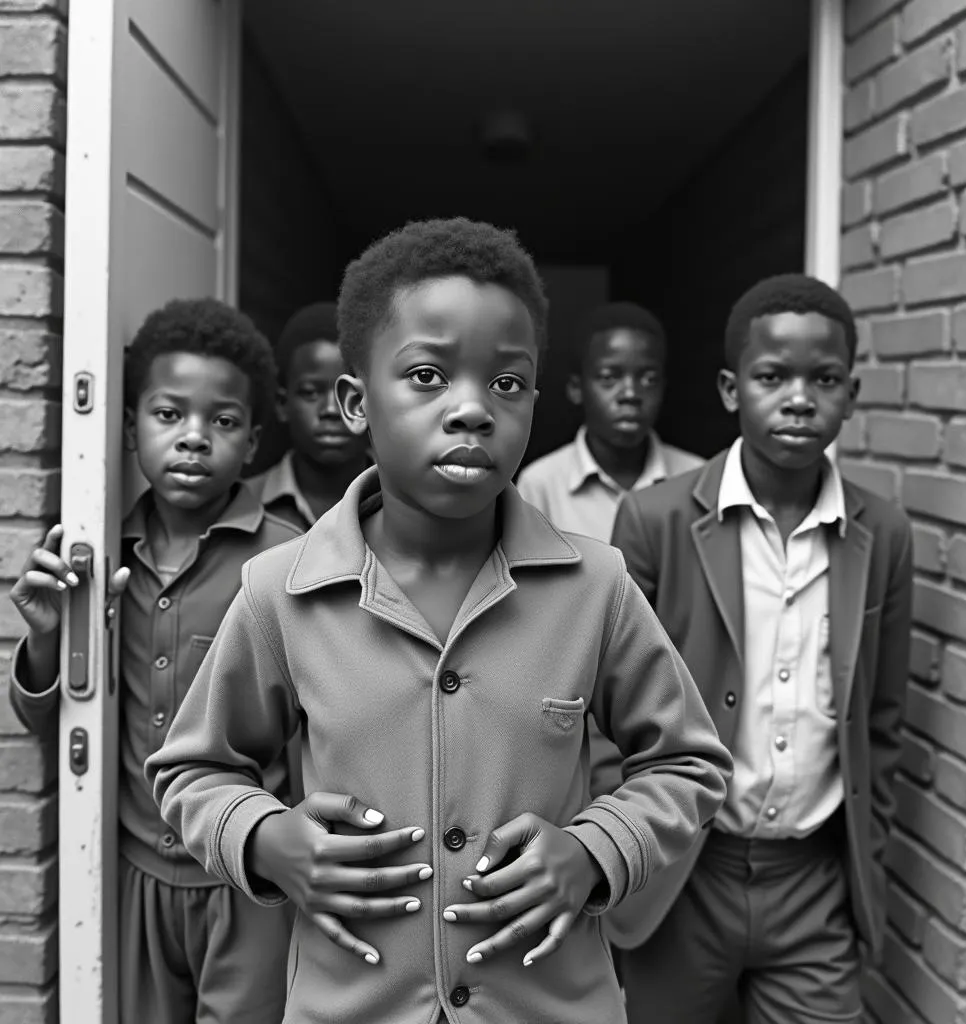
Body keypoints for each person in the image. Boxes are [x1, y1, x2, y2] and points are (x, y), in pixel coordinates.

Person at [146, 217, 733, 1024]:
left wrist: (595, 850)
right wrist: (265, 839)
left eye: (507, 383)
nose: (471, 411)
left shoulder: (596, 586)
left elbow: (689, 765)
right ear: (356, 403)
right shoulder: (281, 590)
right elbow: (190, 773)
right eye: (427, 375)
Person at [601, 275, 913, 1024]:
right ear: (730, 388)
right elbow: (608, 716)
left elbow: (882, 718)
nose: (799, 398)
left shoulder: (885, 532)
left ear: (852, 392)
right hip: (684, 874)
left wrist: (861, 864)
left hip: (812, 878)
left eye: (825, 380)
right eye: (773, 376)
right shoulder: (655, 521)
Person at [8, 298, 302, 1024]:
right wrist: (48, 636)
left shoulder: (287, 559)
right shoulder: (100, 555)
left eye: (223, 422)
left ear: (255, 440)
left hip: (247, 882)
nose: (194, 439)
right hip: (133, 873)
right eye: (169, 416)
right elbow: (59, 721)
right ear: (130, 422)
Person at [516, 301, 702, 544]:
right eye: (609, 377)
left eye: (648, 379)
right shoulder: (541, 485)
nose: (630, 394)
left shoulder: (697, 477)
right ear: (576, 388)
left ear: (664, 387)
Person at [247, 301, 371, 532]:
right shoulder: (240, 506)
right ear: (283, 404)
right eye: (311, 393)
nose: (332, 410)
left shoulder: (408, 503)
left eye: (350, 394)